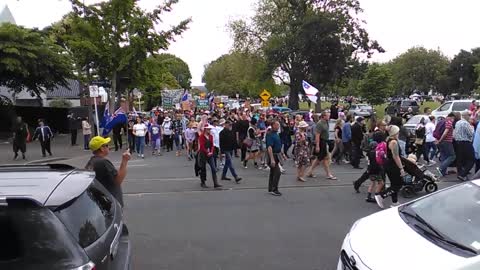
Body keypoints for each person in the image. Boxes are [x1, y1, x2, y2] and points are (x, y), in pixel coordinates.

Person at [85, 136, 131, 207]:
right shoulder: (103, 162)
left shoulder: (91, 162)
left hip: (101, 202)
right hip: (111, 203)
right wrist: (124, 160)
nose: (108, 147)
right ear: (102, 148)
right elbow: (118, 180)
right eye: (106, 145)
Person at [375, 125, 405, 209]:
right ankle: (381, 195)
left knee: (394, 183)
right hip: (393, 166)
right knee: (398, 184)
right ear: (395, 132)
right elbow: (396, 156)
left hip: (388, 164)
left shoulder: (388, 139)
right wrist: (401, 168)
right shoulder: (394, 142)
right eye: (398, 132)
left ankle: (394, 202)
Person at [306, 111, 336, 180]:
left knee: (321, 159)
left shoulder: (326, 122)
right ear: (323, 116)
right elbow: (317, 135)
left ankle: (310, 172)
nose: (329, 117)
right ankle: (328, 174)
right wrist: (317, 146)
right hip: (321, 142)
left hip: (325, 142)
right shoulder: (320, 124)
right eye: (327, 116)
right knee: (323, 159)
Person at [197, 122, 222, 189]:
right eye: (208, 129)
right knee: (203, 168)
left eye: (209, 129)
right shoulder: (201, 137)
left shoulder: (211, 136)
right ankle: (203, 182)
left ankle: (215, 183)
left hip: (210, 154)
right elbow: (202, 146)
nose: (209, 130)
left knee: (213, 168)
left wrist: (211, 151)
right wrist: (207, 152)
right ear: (205, 129)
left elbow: (212, 145)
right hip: (203, 153)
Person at [453, 111, 474, 181]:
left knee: (460, 159)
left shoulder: (458, 122)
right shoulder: (466, 123)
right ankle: (463, 174)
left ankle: (460, 173)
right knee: (471, 159)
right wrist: (472, 127)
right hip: (465, 142)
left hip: (458, 142)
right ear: (466, 116)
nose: (470, 117)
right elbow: (471, 133)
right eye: (469, 115)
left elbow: (455, 133)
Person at [435, 113, 456, 177]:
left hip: (441, 142)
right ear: (451, 117)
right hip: (447, 142)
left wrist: (438, 140)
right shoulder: (449, 122)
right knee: (452, 156)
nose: (453, 120)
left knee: (444, 156)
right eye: (453, 119)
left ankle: (442, 173)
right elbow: (445, 133)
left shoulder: (441, 122)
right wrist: (440, 140)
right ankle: (440, 168)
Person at [266, 121, 283, 196]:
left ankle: (270, 188)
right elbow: (269, 147)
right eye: (276, 125)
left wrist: (282, 154)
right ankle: (274, 189)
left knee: (273, 172)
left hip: (277, 154)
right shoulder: (270, 134)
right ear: (272, 125)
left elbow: (278, 144)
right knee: (277, 172)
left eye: (278, 125)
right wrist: (272, 159)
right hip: (272, 155)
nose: (278, 126)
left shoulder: (276, 134)